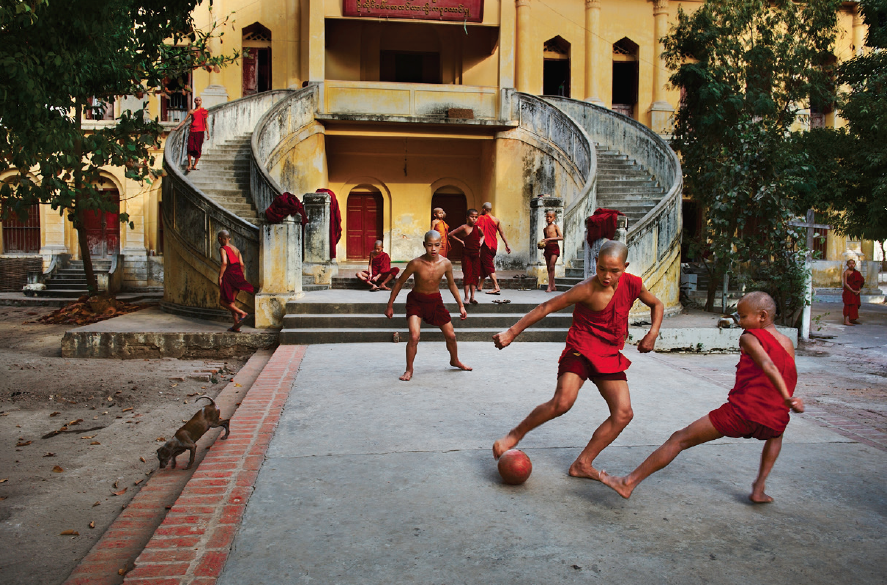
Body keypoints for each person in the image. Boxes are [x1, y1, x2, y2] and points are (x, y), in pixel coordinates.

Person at [600, 292, 804, 504]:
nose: (740, 322)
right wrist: (787, 400)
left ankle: (628, 482)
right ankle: (759, 487)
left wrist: (786, 397)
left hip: (742, 413)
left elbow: (768, 365)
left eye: (743, 317)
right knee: (776, 436)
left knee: (679, 439)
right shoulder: (788, 343)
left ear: (762, 316)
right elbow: (787, 372)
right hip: (774, 418)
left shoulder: (749, 337)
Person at [492, 240, 664, 482]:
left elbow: (657, 304)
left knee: (623, 413)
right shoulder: (586, 289)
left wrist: (653, 333)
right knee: (562, 402)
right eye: (602, 268)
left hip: (609, 355)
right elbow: (546, 306)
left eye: (614, 271)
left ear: (625, 267)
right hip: (580, 350)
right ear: (596, 263)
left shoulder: (633, 284)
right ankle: (514, 435)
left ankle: (583, 463)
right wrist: (511, 332)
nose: (606, 276)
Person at [385, 231, 471, 381]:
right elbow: (399, 283)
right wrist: (390, 305)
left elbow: (452, 285)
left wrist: (461, 305)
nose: (433, 249)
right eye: (430, 245)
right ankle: (409, 370)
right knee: (414, 336)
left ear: (441, 245)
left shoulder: (445, 264)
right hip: (416, 301)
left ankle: (455, 360)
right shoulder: (416, 263)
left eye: (437, 245)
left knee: (451, 335)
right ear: (424, 245)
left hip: (435, 302)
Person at [217, 230, 254, 332]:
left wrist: (220, 277)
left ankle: (242, 313)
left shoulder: (223, 248)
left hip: (228, 276)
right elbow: (242, 265)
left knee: (223, 302)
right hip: (237, 276)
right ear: (229, 238)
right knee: (231, 302)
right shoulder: (236, 250)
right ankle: (236, 325)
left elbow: (224, 263)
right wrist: (239, 276)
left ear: (220, 239)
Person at [448, 209, 484, 305]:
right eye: (472, 217)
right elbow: (450, 234)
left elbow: (483, 236)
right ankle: (466, 297)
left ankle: (472, 297)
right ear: (467, 217)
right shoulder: (464, 227)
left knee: (475, 275)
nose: (474, 219)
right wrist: (461, 241)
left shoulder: (478, 228)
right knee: (467, 275)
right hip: (466, 255)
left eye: (476, 217)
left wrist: (481, 241)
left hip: (476, 255)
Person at [475, 202, 511, 295]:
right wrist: (507, 244)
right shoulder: (496, 220)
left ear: (483, 210)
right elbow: (502, 233)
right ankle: (480, 285)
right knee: (484, 264)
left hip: (486, 245)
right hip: (494, 245)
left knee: (489, 266)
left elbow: (477, 231)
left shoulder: (481, 218)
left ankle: (496, 286)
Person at [173, 96, 209, 172]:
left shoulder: (203, 111)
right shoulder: (191, 111)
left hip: (200, 131)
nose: (198, 101)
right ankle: (189, 165)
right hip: (193, 131)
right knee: (189, 147)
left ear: (201, 102)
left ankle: (195, 165)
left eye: (199, 100)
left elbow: (206, 122)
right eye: (196, 100)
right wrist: (177, 128)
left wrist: (208, 133)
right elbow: (184, 121)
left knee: (198, 149)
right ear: (194, 101)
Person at [541, 211, 563, 293]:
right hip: (547, 248)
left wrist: (549, 239)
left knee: (551, 266)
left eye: (550, 217)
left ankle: (549, 286)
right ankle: (553, 285)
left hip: (554, 247)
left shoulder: (555, 226)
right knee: (548, 268)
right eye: (547, 216)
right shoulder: (545, 229)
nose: (548, 218)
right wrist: (543, 244)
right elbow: (545, 240)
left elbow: (561, 237)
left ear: (554, 218)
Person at [842, 258, 865, 326]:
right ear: (847, 265)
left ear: (855, 264)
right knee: (848, 305)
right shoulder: (846, 272)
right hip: (849, 291)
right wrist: (853, 290)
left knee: (854, 305)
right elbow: (845, 283)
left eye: (853, 264)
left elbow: (860, 282)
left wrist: (859, 290)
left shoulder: (857, 273)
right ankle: (846, 321)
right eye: (850, 264)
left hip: (856, 291)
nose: (851, 265)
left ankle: (852, 319)